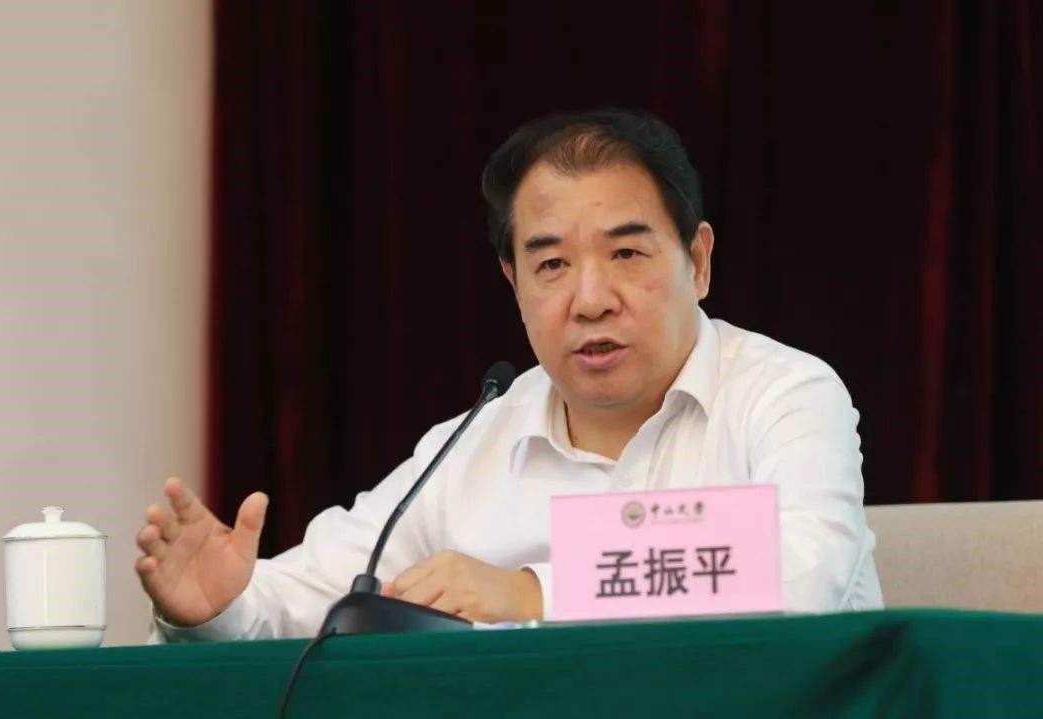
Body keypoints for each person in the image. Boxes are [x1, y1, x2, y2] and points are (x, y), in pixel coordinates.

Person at [137, 108, 882, 642]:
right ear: (514, 283)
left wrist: (531, 593)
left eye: (626, 253)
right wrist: (217, 605)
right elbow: (317, 590)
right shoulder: (473, 444)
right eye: (552, 264)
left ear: (698, 260)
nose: (591, 299)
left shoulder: (788, 394)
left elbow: (803, 575)